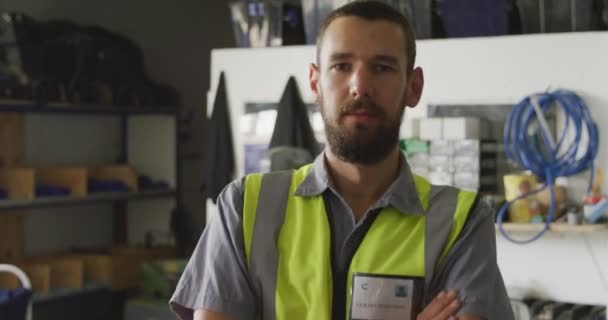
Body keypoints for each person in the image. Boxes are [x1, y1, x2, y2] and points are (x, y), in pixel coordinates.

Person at [170, 1, 514, 319]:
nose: (360, 86)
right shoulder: (245, 207)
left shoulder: (461, 221)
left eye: (381, 67)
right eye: (341, 66)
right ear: (316, 82)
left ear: (413, 86)